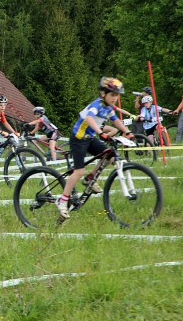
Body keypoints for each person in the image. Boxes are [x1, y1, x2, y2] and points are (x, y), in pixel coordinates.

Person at [55, 77, 135, 223]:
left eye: (117, 95)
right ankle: (63, 200)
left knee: (110, 156)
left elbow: (116, 120)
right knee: (78, 171)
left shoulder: (109, 108)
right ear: (103, 94)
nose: (115, 98)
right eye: (112, 95)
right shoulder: (96, 104)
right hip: (78, 138)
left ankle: (90, 178)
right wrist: (101, 132)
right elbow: (90, 119)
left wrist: (128, 132)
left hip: (90, 138)